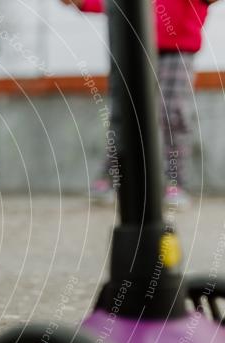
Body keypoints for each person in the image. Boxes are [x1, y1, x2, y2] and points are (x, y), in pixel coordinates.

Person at [62, 0, 219, 208]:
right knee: (125, 115)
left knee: (173, 114)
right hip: (135, 50)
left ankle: (174, 182)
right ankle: (112, 178)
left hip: (177, 49)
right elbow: (116, 5)